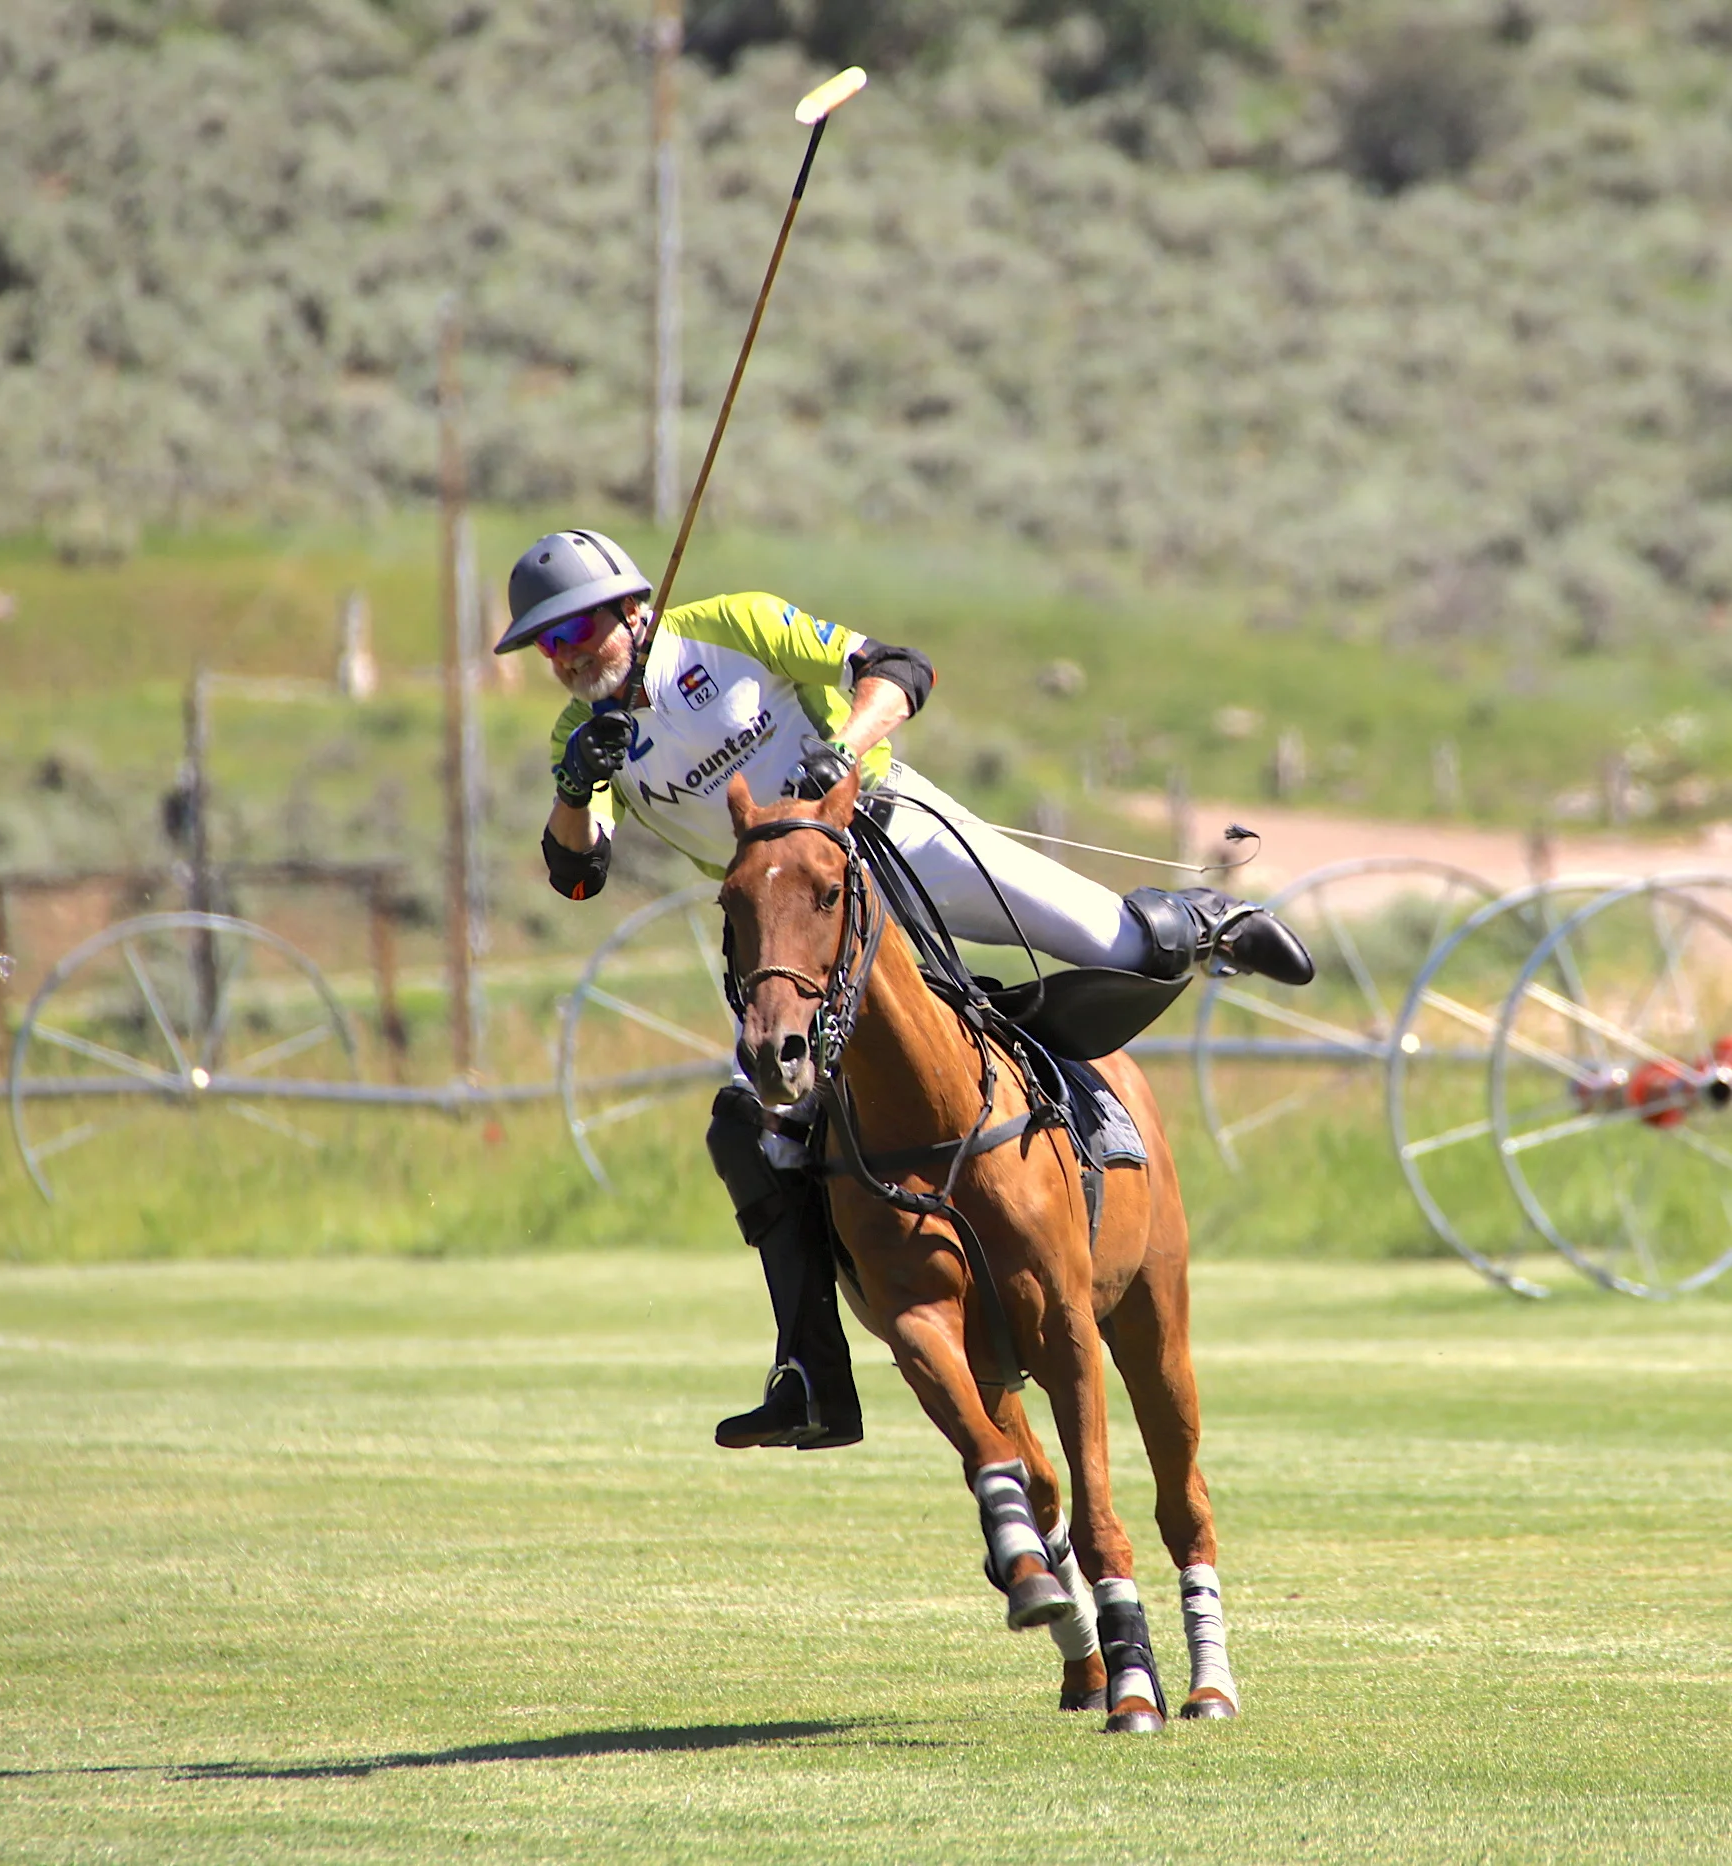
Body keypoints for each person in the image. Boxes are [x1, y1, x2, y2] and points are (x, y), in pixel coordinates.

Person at [494, 528, 1314, 1452]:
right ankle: (809, 1372)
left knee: (1119, 943)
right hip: (790, 932)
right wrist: (575, 783)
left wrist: (840, 748)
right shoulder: (582, 737)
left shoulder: (729, 627)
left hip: (889, 836)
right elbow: (574, 876)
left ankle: (1201, 925)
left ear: (632, 610)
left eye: (578, 631)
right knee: (755, 1127)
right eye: (548, 645)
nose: (566, 657)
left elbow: (897, 667)